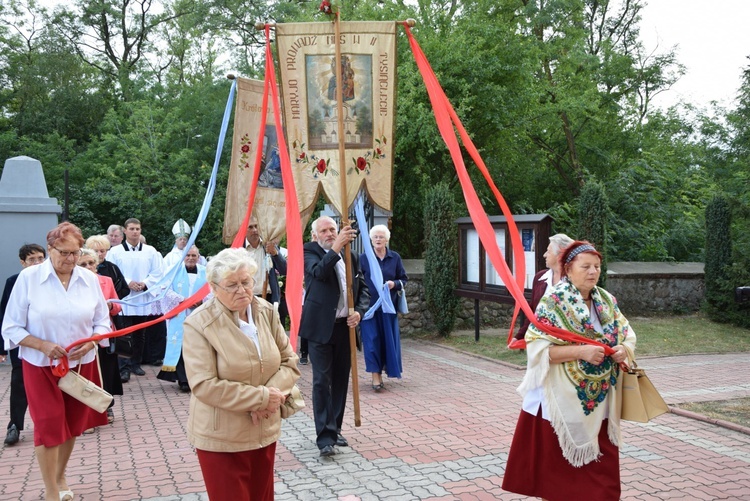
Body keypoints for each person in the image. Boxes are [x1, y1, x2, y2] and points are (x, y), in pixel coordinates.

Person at [502, 241, 636, 501]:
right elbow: (538, 350)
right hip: (560, 402)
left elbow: (627, 333)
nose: (593, 272)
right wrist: (580, 351)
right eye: (585, 266)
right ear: (568, 269)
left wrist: (622, 349)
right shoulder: (553, 302)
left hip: (598, 401)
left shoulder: (606, 301)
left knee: (601, 477)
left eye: (596, 266)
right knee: (557, 477)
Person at [1, 222, 110, 501]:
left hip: (80, 364)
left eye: (75, 253)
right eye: (64, 253)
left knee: (73, 424)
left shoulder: (88, 280)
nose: (70, 259)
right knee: (49, 424)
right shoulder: (29, 279)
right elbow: (11, 327)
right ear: (50, 249)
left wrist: (92, 341)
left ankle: (61, 475)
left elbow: (102, 322)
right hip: (40, 365)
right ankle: (51, 490)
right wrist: (43, 345)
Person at [182, 248, 300, 501]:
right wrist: (260, 398)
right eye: (231, 285)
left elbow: (290, 361)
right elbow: (203, 385)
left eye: (246, 282)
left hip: (264, 430)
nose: (242, 290)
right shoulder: (199, 324)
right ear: (214, 287)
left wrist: (270, 398)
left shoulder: (266, 311)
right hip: (222, 437)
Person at [299, 216, 369, 457]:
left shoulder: (352, 256)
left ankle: (335, 428)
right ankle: (324, 437)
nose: (329, 234)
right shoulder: (309, 252)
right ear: (315, 235)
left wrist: (359, 312)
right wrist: (337, 247)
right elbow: (318, 273)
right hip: (319, 328)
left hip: (344, 327)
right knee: (321, 382)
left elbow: (364, 289)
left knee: (340, 380)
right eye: (324, 231)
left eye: (333, 229)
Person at [106, 218, 166, 382]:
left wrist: (145, 283)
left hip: (143, 297)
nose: (135, 232)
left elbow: (158, 272)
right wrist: (128, 282)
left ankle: (135, 363)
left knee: (140, 333)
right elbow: (112, 272)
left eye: (137, 229)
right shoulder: (115, 252)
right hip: (125, 297)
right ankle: (123, 367)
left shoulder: (151, 251)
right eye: (131, 229)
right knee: (125, 333)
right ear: (124, 231)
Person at [0, 244, 46, 445]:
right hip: (22, 341)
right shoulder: (14, 281)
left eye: (40, 258)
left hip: (46, 341)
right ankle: (14, 425)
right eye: (32, 259)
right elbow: (5, 315)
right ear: (22, 262)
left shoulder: (49, 281)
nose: (37, 263)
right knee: (19, 382)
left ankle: (48, 425)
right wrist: (2, 346)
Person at [359, 224, 408, 390]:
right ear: (371, 240)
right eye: (375, 237)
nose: (378, 240)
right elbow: (357, 282)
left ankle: (386, 371)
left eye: (381, 237)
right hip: (369, 309)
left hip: (388, 309)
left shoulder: (395, 258)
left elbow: (404, 280)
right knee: (372, 341)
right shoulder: (364, 258)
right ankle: (375, 377)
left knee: (388, 341)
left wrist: (394, 284)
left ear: (387, 239)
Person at [77, 248, 122, 426]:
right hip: (82, 335)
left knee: (106, 371)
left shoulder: (106, 281)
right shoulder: (74, 284)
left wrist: (111, 307)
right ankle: (86, 412)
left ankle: (106, 406)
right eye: (83, 264)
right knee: (86, 374)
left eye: (91, 263)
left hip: (104, 334)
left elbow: (118, 307)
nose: (88, 267)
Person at [510, 233, 574, 350]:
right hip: (538, 342)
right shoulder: (540, 278)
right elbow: (533, 311)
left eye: (548, 251)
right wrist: (520, 336)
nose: (545, 255)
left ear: (560, 254)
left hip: (565, 344)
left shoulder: (574, 281)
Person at [157, 245, 207, 392]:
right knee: (181, 345)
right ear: (183, 257)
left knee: (197, 347)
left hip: (199, 314)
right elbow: (165, 290)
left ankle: (197, 377)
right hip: (179, 313)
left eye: (194, 256)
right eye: (188, 255)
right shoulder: (173, 271)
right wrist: (184, 300)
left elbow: (212, 290)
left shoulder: (206, 272)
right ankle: (183, 379)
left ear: (198, 257)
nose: (191, 258)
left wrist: (202, 301)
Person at [245, 216, 288, 326]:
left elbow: (284, 270)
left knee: (273, 336)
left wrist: (275, 253)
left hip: (269, 299)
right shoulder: (239, 250)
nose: (255, 230)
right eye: (250, 227)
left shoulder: (268, 246)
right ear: (244, 230)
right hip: (248, 300)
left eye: (256, 226)